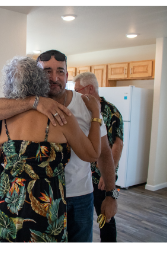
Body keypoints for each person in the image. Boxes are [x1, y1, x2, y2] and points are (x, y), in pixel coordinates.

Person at [0, 50, 102, 242]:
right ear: (40, 78)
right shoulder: (60, 116)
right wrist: (96, 114)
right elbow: (93, 154)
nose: (54, 78)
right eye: (47, 72)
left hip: (8, 202)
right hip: (45, 205)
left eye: (60, 72)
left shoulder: (5, 116)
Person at [72, 72, 123, 241]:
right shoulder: (80, 109)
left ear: (90, 88)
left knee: (105, 216)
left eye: (77, 90)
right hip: (84, 175)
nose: (75, 93)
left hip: (102, 175)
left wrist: (107, 177)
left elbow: (116, 145)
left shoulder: (111, 112)